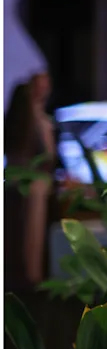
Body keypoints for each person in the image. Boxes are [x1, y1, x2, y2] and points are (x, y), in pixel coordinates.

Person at [4, 72, 57, 289]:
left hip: (21, 180)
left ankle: (30, 272)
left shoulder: (36, 118)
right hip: (27, 181)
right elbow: (46, 156)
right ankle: (32, 273)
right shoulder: (29, 116)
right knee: (37, 193)